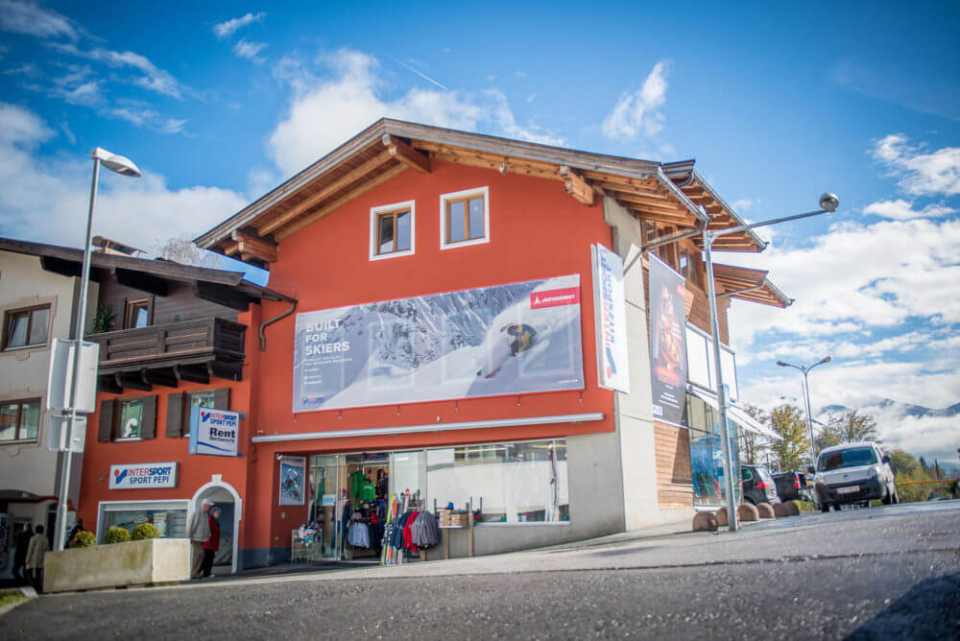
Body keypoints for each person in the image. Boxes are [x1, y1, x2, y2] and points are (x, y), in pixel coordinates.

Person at [187, 499, 212, 580]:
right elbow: (192, 525)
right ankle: (194, 572)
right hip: (196, 538)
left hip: (201, 539)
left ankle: (196, 572)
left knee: (200, 555)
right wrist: (189, 536)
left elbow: (206, 526)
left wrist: (208, 535)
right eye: (208, 506)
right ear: (204, 505)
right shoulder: (197, 513)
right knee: (199, 554)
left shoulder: (205, 514)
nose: (209, 508)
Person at [25, 524, 49, 593]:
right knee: (38, 574)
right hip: (42, 558)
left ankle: (34, 585)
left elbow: (30, 549)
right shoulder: (45, 539)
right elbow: (47, 549)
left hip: (33, 558)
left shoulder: (33, 538)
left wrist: (27, 559)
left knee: (29, 572)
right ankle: (38, 586)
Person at [201, 506, 221, 579]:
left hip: (212, 543)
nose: (218, 515)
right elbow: (207, 530)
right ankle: (205, 573)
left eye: (219, 513)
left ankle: (206, 573)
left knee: (209, 558)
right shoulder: (209, 520)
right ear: (213, 513)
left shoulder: (215, 522)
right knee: (207, 559)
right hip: (208, 543)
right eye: (217, 513)